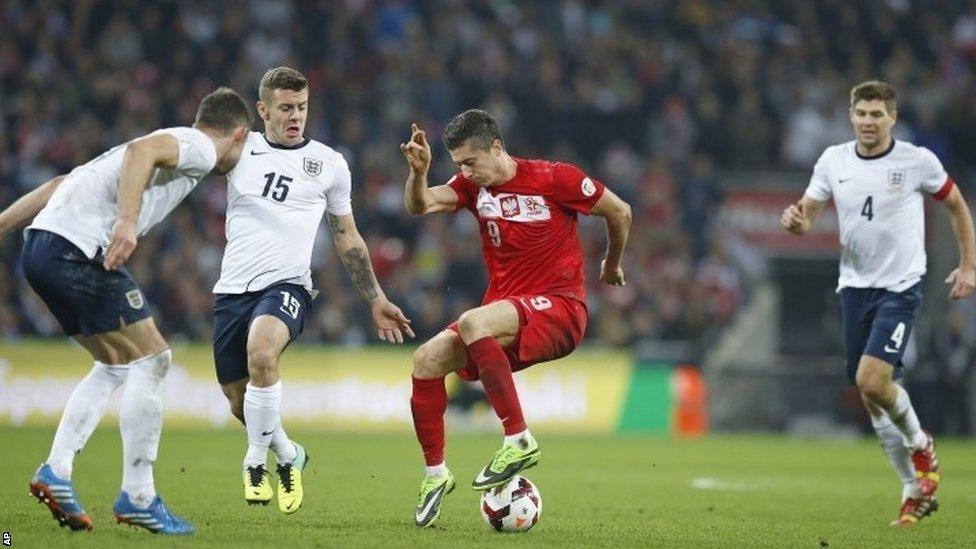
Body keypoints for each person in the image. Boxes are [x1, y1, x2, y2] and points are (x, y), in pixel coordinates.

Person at [0, 87, 252, 534]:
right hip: (77, 251)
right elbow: (143, 150)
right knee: (155, 358)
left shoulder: (148, 148)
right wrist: (127, 222)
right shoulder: (197, 146)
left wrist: (1, 224)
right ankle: (138, 495)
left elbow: (61, 185)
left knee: (115, 363)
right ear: (239, 134)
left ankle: (56, 471)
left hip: (40, 248)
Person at [400, 109, 632, 527]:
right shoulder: (473, 188)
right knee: (426, 360)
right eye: (458, 165)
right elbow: (421, 205)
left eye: (470, 162)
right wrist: (419, 173)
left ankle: (518, 438)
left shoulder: (555, 178)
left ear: (496, 147)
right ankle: (435, 475)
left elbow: (621, 212)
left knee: (473, 321)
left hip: (560, 309)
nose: (466, 172)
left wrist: (611, 265)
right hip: (507, 317)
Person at [213, 66, 413, 513]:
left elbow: (348, 236)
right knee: (237, 400)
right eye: (285, 108)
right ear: (263, 110)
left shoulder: (329, 164)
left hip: (288, 286)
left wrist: (377, 299)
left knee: (263, 354)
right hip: (231, 291)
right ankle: (288, 454)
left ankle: (254, 462)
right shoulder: (239, 149)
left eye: (301, 107)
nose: (295, 116)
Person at [780, 80, 976, 526]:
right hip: (854, 287)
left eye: (877, 114)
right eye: (861, 114)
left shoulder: (916, 161)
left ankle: (921, 444)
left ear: (892, 117)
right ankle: (912, 489)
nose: (868, 122)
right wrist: (795, 221)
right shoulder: (833, 160)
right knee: (871, 395)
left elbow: (957, 206)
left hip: (901, 286)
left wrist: (969, 265)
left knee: (871, 380)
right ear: (851, 115)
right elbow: (807, 213)